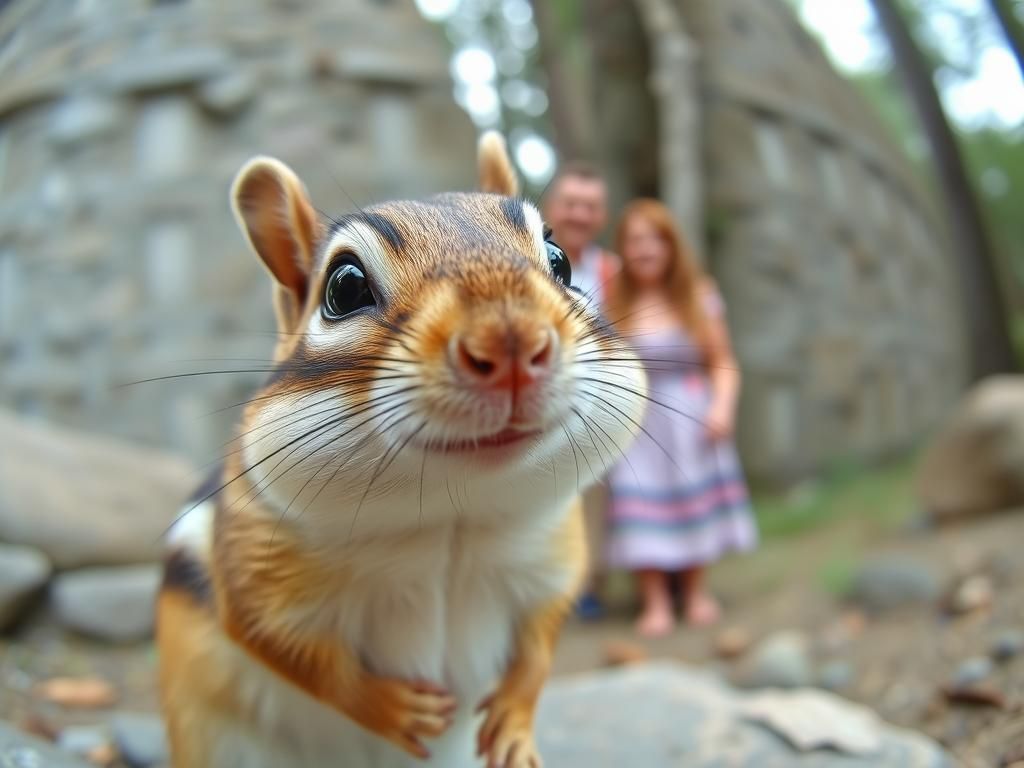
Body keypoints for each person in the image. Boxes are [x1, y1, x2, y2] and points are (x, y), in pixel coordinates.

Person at [602, 198, 757, 637]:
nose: (646, 248)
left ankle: (694, 593)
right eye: (635, 240)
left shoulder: (698, 295)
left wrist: (723, 405)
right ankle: (653, 601)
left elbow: (723, 361)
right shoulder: (613, 303)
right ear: (623, 248)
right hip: (638, 421)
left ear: (671, 246)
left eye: (655, 239)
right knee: (638, 499)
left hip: (691, 414)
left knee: (693, 496)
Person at [543, 162, 618, 620]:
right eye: (572, 204)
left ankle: (588, 586)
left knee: (593, 499)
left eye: (589, 207)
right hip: (538, 409)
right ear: (553, 207)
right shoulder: (526, 258)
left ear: (602, 216)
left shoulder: (611, 270)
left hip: (594, 413)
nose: (579, 215)